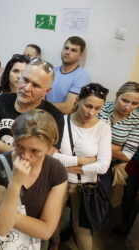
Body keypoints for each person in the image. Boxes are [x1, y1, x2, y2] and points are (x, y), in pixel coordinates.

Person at [0, 109, 67, 248]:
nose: (25, 156)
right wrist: (15, 183)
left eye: (35, 150)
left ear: (49, 147)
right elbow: (2, 228)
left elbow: (46, 231)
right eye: (19, 146)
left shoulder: (56, 171)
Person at [52, 83, 112, 250]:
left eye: (97, 108)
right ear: (78, 100)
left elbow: (103, 166)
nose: (91, 112)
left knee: (82, 231)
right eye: (88, 105)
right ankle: (54, 244)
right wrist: (84, 161)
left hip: (85, 186)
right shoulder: (61, 122)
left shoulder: (103, 128)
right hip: (59, 182)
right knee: (51, 223)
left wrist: (71, 167)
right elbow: (51, 156)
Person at [0, 58, 64, 159]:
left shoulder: (54, 116)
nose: (26, 88)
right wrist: (26, 155)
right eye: (25, 80)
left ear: (46, 91)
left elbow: (43, 159)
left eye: (35, 85)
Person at [97, 82, 139, 235]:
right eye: (124, 100)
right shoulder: (102, 108)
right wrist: (116, 147)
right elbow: (85, 134)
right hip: (85, 157)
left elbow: (127, 155)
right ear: (117, 96)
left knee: (97, 199)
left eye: (134, 103)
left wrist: (99, 143)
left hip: (108, 166)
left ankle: (86, 228)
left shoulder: (137, 120)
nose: (128, 107)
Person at [46, 36, 91, 114]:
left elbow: (68, 108)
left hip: (63, 121)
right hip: (42, 116)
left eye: (73, 50)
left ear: (80, 55)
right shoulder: (52, 71)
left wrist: (41, 105)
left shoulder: (82, 77)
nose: (67, 52)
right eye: (66, 48)